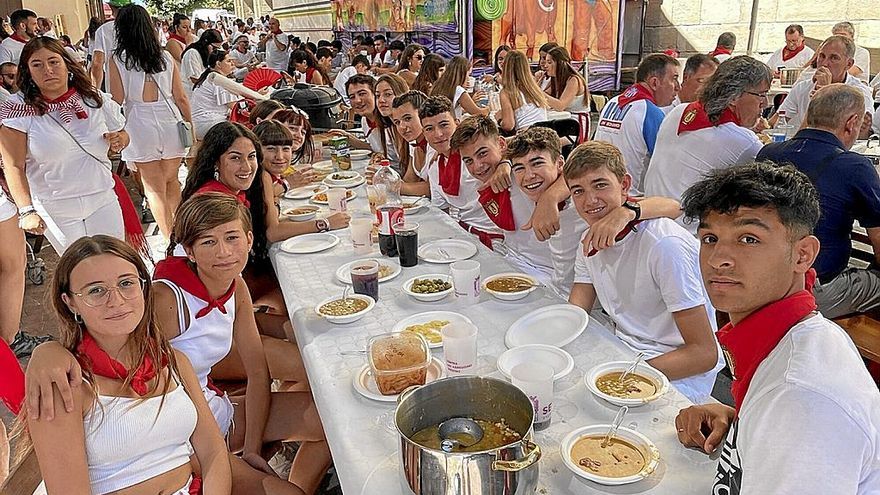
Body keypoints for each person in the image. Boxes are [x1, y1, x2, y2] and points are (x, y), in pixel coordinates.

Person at [674, 161, 880, 494]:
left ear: (803, 255)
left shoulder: (803, 398)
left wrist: (774, 421)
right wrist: (742, 425)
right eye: (710, 237)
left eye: (749, 239)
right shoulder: (791, 337)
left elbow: (802, 417)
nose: (717, 259)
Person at [20, 235, 233, 494]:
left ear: (143, 287)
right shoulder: (63, 383)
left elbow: (213, 452)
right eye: (95, 290)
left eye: (126, 283)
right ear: (70, 302)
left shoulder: (173, 361)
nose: (116, 300)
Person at [565, 141, 723, 402]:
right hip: (623, 349)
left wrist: (622, 377)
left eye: (600, 185)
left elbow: (704, 354)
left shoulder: (663, 245)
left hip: (676, 370)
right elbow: (575, 312)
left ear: (625, 184)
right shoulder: (589, 240)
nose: (589, 200)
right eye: (578, 191)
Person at [757, 84, 880, 319]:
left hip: (765, 278)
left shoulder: (768, 153)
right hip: (812, 291)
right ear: (852, 122)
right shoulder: (854, 166)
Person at [0, 37, 131, 254]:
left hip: (102, 197)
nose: (47, 70)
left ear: (67, 65)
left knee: (112, 261)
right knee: (79, 271)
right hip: (55, 207)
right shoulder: (18, 110)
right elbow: (13, 165)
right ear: (28, 72)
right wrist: (26, 211)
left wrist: (120, 140)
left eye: (53, 62)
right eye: (37, 65)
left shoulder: (92, 98)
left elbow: (123, 133)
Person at [644, 56, 770, 225]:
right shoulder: (744, 142)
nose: (766, 103)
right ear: (733, 97)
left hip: (650, 221)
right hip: (690, 237)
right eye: (761, 95)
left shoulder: (678, 112)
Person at [109, 4, 192, 240]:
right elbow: (181, 97)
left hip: (139, 124)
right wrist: (190, 124)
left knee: (154, 189)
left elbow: (116, 100)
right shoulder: (164, 56)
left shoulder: (118, 59)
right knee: (172, 182)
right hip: (170, 122)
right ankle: (183, 235)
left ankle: (170, 241)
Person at [418, 96, 503, 249]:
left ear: (457, 123)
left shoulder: (478, 157)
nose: (438, 134)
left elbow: (513, 145)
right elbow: (441, 213)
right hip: (464, 237)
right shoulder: (434, 165)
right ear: (424, 133)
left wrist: (506, 163)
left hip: (499, 241)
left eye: (444, 125)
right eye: (429, 129)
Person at [593, 54, 680, 195]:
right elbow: (669, 167)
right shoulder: (649, 112)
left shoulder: (613, 101)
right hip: (630, 198)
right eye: (674, 79)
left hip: (599, 188)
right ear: (654, 83)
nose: (678, 87)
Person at [771, 36, 873, 138]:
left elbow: (860, 135)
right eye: (822, 56)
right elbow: (778, 120)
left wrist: (824, 92)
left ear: (848, 64)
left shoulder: (859, 92)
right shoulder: (802, 87)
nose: (824, 63)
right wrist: (762, 125)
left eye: (834, 58)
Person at [190, 50, 267, 140]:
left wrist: (256, 95)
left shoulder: (208, 77)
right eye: (228, 61)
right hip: (208, 124)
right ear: (218, 64)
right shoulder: (219, 81)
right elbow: (236, 108)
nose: (232, 64)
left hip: (199, 123)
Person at [252, 119, 314, 199]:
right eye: (271, 149)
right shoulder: (256, 177)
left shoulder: (275, 175)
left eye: (285, 149)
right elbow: (260, 199)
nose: (280, 157)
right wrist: (286, 184)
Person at [390, 90, 432, 196]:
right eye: (397, 122)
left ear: (423, 115)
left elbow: (437, 189)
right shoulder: (413, 143)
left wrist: (394, 186)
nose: (402, 127)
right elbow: (409, 180)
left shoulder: (436, 144)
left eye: (407, 118)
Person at [496, 50, 548, 132]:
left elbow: (508, 125)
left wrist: (499, 120)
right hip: (546, 135)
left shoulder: (506, 92)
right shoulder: (534, 88)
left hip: (527, 138)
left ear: (507, 68)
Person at [91, 0, 130, 91]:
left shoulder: (103, 30)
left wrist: (95, 91)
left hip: (115, 88)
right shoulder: (142, 27)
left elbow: (97, 64)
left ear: (112, 8)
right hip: (142, 93)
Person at [543, 46, 590, 113]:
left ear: (560, 64)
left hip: (575, 120)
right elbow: (545, 95)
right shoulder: (555, 79)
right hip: (562, 118)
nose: (545, 66)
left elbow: (560, 106)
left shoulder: (574, 80)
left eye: (549, 62)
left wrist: (538, 92)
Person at [180, 29, 224, 96]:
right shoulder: (192, 53)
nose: (215, 51)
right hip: (190, 93)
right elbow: (195, 79)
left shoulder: (206, 55)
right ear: (206, 43)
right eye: (214, 48)